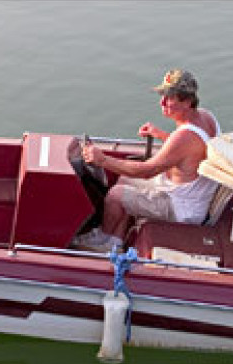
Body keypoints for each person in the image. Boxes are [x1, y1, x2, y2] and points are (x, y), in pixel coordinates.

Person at [72, 69, 222, 251]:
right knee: (124, 180)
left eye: (170, 98)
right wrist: (161, 135)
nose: (162, 102)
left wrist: (102, 160)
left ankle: (104, 239)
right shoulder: (206, 117)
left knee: (115, 195)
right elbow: (191, 150)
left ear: (187, 102)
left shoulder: (183, 138)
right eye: (162, 95)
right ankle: (115, 241)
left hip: (181, 208)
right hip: (191, 196)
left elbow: (146, 171)